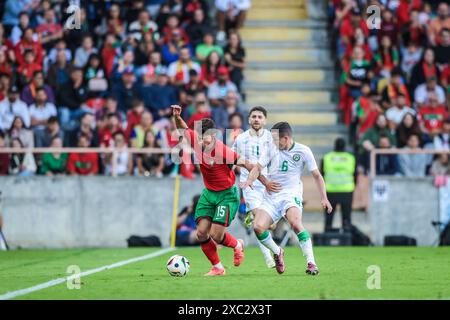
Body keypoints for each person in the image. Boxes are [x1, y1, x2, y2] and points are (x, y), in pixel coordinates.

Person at [170, 104, 278, 276]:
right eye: (199, 137)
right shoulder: (196, 142)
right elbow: (183, 127)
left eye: (205, 137)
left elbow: (250, 165)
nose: (201, 141)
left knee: (216, 235)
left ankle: (237, 244)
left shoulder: (223, 151)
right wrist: (176, 115)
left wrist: (265, 182)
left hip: (227, 195)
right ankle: (218, 267)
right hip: (209, 193)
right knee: (201, 233)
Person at [240, 121, 333, 276]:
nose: (272, 142)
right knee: (257, 227)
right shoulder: (271, 149)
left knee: (296, 224)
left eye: (275, 139)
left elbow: (317, 175)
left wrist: (324, 198)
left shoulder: (303, 151)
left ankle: (311, 263)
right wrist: (250, 181)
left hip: (291, 194)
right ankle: (278, 252)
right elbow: (257, 168)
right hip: (271, 196)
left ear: (286, 138)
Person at [232, 106, 277, 268]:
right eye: (254, 117)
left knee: (271, 224)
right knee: (260, 223)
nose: (256, 119)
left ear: (265, 120)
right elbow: (233, 158)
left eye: (259, 117)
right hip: (250, 186)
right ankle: (269, 258)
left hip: (268, 185)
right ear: (249, 119)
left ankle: (250, 217)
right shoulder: (241, 138)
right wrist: (244, 168)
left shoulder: (272, 139)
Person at [322, 138, 356, 232]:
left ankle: (327, 236)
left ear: (335, 145)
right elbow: (355, 174)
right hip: (347, 191)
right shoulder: (350, 158)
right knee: (346, 217)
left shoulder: (327, 157)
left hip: (330, 191)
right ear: (345, 146)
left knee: (329, 216)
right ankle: (346, 237)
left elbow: (321, 175)